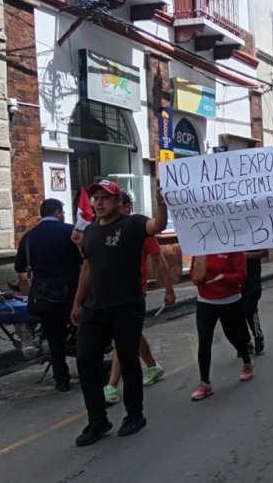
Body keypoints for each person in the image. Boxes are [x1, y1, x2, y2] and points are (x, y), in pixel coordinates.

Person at [70, 179, 168, 447]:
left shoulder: (132, 224)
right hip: (94, 307)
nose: (99, 203)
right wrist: (77, 303)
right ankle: (97, 420)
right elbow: (88, 268)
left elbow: (157, 226)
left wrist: (161, 204)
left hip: (126, 305)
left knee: (127, 358)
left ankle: (134, 415)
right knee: (85, 359)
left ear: (117, 202)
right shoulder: (89, 231)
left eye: (105, 198)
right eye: (95, 198)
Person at [102, 191, 174, 405]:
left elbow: (159, 260)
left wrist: (168, 289)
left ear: (125, 207)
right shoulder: (106, 231)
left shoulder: (139, 231)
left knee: (122, 339)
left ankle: (111, 386)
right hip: (112, 294)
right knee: (131, 335)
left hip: (134, 293)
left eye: (118, 205)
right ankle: (153, 367)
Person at [14, 198, 83, 393]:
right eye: (62, 212)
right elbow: (85, 258)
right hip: (72, 294)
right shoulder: (70, 231)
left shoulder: (29, 237)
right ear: (57, 212)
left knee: (54, 340)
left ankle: (61, 380)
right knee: (83, 333)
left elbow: (19, 266)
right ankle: (89, 372)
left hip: (44, 297)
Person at [188, 250, 254, 401]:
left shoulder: (232, 246)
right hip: (205, 300)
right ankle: (205, 383)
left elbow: (242, 275)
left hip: (229, 300)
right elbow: (193, 271)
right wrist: (195, 278)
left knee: (234, 336)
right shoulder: (201, 246)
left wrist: (224, 278)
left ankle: (247, 361)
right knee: (204, 339)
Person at [243, 249, 269, 355]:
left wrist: (246, 256)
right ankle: (246, 342)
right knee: (238, 313)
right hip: (236, 279)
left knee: (250, 310)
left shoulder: (254, 235)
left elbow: (264, 253)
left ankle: (258, 336)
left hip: (252, 279)